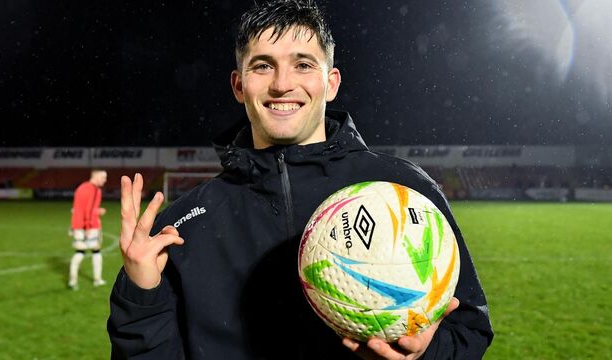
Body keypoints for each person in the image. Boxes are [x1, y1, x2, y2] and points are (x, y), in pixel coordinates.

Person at [108, 1, 493, 358]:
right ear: (239, 86)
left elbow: (469, 330)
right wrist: (142, 294)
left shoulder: (402, 190)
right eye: (262, 66)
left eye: (303, 65)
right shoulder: (184, 225)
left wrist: (425, 351)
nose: (282, 84)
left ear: (331, 82)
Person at [68, 169, 108, 290]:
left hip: (77, 225)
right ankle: (97, 279)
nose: (105, 180)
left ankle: (72, 281)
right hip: (89, 226)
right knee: (96, 251)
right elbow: (89, 209)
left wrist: (97, 211)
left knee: (79, 252)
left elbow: (78, 208)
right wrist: (88, 226)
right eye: (103, 177)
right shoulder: (95, 189)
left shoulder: (81, 187)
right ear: (95, 177)